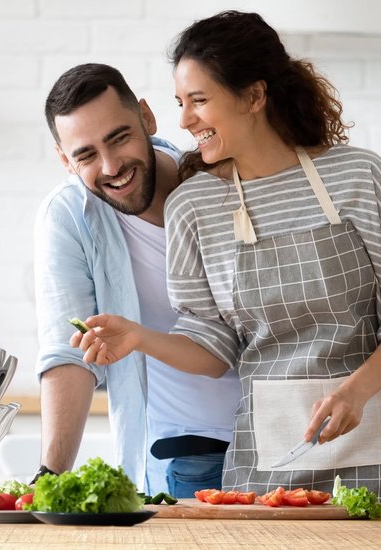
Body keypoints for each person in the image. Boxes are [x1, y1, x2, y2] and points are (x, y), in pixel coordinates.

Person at [72, 12, 381, 498]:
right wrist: (137, 337)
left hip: (374, 449)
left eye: (199, 100)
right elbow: (214, 349)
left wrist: (357, 390)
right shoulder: (194, 207)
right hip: (267, 467)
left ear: (255, 96)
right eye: (180, 102)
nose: (184, 120)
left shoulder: (358, 177)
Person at [33, 63, 241, 496]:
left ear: (147, 117)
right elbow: (70, 352)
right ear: (64, 160)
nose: (111, 166)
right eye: (86, 155)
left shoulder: (220, 179)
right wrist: (49, 479)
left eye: (119, 137)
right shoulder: (70, 218)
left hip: (291, 435)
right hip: (191, 449)